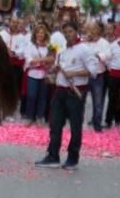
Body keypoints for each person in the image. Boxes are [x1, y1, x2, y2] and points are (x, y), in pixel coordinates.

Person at [35, 21, 99, 170]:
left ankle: (72, 158)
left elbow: (94, 71)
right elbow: (58, 68)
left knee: (75, 126)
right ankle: (52, 156)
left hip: (76, 92)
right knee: (55, 124)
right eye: (66, 32)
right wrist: (53, 73)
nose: (68, 35)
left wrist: (74, 73)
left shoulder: (85, 49)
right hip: (60, 91)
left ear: (76, 32)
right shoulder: (62, 49)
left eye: (70, 31)